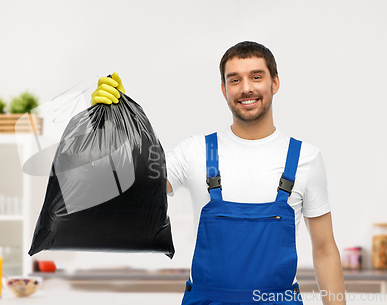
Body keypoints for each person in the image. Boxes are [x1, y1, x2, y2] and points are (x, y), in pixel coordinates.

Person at [91, 41, 345, 305]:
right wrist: (110, 124)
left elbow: (325, 250)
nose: (246, 88)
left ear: (275, 83)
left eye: (256, 77)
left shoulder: (306, 158)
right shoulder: (194, 151)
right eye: (235, 80)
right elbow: (131, 192)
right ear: (224, 89)